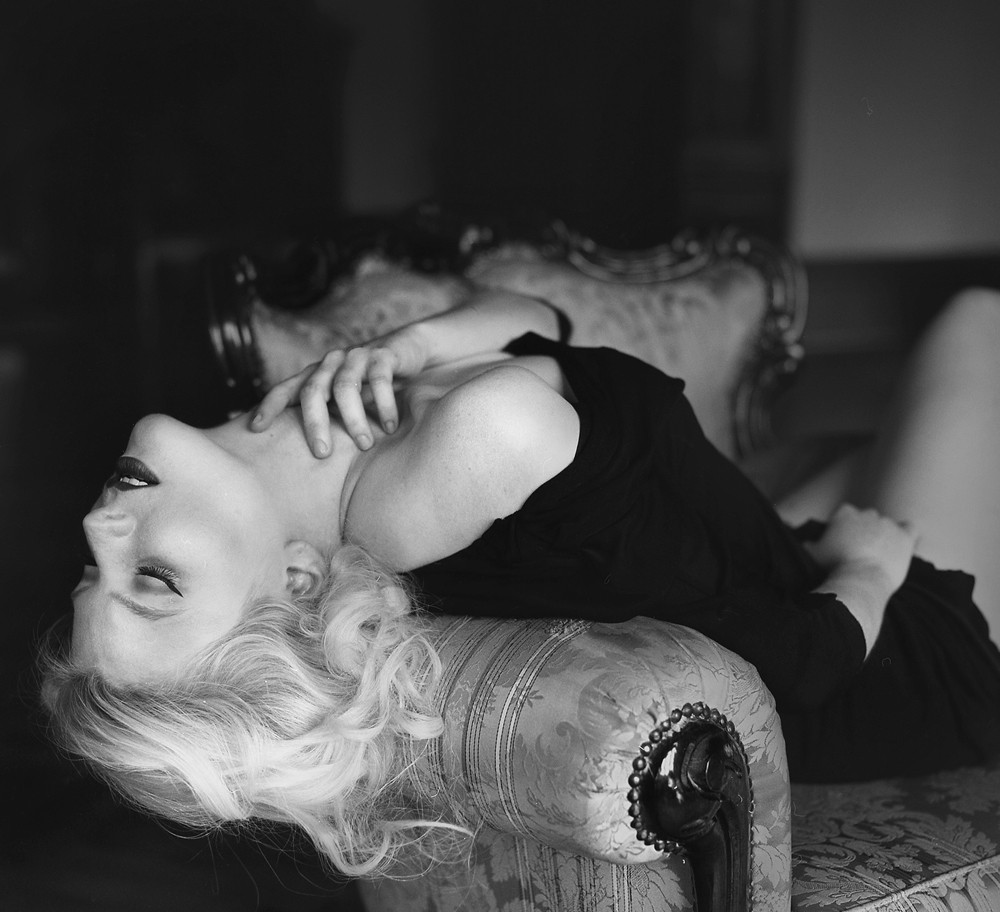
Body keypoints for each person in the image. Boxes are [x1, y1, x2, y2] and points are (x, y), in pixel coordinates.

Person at [40, 260, 1000, 876]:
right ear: (294, 582)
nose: (97, 524)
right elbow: (792, 668)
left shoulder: (327, 423)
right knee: (977, 319)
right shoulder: (469, 454)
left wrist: (412, 344)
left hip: (783, 547)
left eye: (92, 571)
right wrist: (868, 567)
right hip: (903, 646)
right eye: (154, 579)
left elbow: (544, 320)